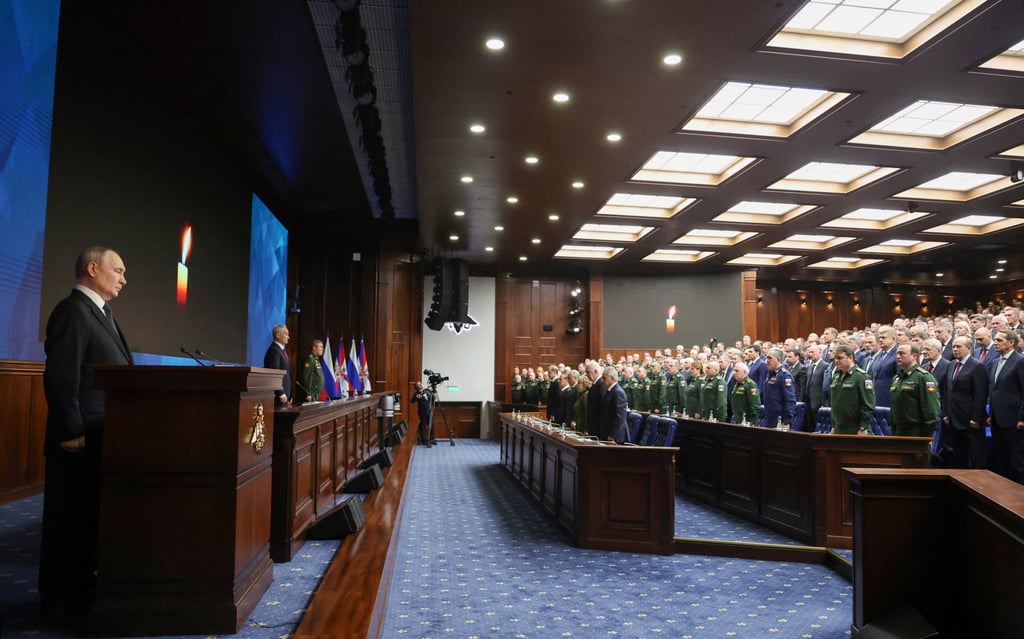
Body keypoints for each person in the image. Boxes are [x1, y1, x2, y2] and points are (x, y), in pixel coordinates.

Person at [40, 247, 133, 624]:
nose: (124, 279)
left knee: (87, 520)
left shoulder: (102, 313)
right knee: (69, 520)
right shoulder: (72, 310)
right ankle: (62, 603)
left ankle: (82, 591)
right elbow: (61, 376)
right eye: (119, 271)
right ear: (92, 268)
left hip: (102, 435)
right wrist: (71, 430)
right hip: (78, 438)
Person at [941, 336, 989, 469]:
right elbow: (947, 391)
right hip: (952, 418)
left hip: (969, 420)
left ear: (969, 348)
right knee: (957, 455)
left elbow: (980, 395)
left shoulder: (977, 366)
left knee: (973, 455)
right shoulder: (951, 365)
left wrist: (975, 418)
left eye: (959, 347)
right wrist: (945, 413)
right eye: (954, 347)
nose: (955, 349)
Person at [987, 330, 1024, 483]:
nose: (995, 342)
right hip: (997, 418)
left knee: (1016, 459)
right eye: (995, 340)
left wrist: (1022, 417)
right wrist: (991, 414)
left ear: (1011, 343)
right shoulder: (995, 362)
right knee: (1000, 457)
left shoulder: (1020, 361)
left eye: (999, 340)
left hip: (1014, 419)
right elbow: (994, 389)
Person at [889, 343, 940, 438]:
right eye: (897, 354)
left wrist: (928, 436)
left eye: (902, 353)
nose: (898, 357)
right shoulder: (897, 377)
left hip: (916, 431)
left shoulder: (923, 377)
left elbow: (931, 409)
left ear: (914, 356)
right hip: (898, 430)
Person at [828, 343, 875, 435]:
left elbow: (868, 405)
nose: (836, 361)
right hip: (838, 428)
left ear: (850, 358)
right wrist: (833, 425)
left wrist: (863, 427)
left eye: (840, 358)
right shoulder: (837, 376)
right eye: (835, 358)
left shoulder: (861, 376)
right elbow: (835, 403)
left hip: (855, 428)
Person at [760, 348, 796, 429]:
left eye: (770, 358)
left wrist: (786, 420)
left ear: (778, 359)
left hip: (780, 420)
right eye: (766, 358)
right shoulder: (770, 374)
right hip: (769, 418)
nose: (767, 361)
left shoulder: (784, 375)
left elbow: (790, 399)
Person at [598, 366, 629, 442]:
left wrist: (612, 435)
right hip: (607, 432)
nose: (602, 380)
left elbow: (620, 416)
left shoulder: (618, 392)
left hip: (615, 437)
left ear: (612, 378)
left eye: (604, 378)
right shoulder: (609, 391)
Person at [264, 324, 292, 405]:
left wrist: (289, 395)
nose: (288, 337)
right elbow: (274, 373)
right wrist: (281, 393)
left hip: (285, 396)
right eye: (286, 334)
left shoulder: (280, 350)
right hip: (278, 397)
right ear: (278, 335)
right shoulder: (274, 351)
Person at [412, 381, 435, 446]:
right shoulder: (416, 394)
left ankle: (432, 439)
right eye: (418, 385)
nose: (420, 385)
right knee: (423, 425)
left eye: (420, 384)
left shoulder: (428, 391)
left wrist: (434, 396)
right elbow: (412, 401)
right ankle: (423, 440)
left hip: (429, 411)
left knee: (431, 425)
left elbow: (432, 399)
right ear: (416, 387)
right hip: (422, 412)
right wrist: (416, 397)